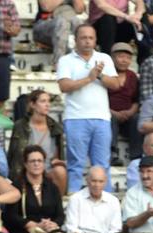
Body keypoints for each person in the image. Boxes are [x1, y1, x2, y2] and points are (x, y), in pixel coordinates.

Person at [57, 24, 121, 193]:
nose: (87, 41)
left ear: (96, 40)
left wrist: (99, 75)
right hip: (75, 118)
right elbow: (64, 86)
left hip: (101, 119)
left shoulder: (104, 58)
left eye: (91, 38)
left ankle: (105, 201)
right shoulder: (66, 60)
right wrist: (89, 78)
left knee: (102, 165)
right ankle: (73, 199)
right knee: (75, 164)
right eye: (83, 38)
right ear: (75, 40)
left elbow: (115, 84)